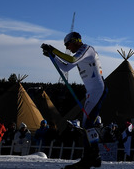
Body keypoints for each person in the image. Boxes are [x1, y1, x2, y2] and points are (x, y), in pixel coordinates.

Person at [42, 31, 106, 169]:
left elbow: (70, 60)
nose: (68, 47)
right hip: (92, 92)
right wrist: (52, 57)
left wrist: (53, 50)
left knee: (88, 124)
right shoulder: (79, 54)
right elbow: (66, 66)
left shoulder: (86, 49)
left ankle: (91, 157)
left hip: (98, 89)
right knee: (87, 125)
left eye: (68, 44)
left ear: (76, 40)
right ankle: (93, 157)